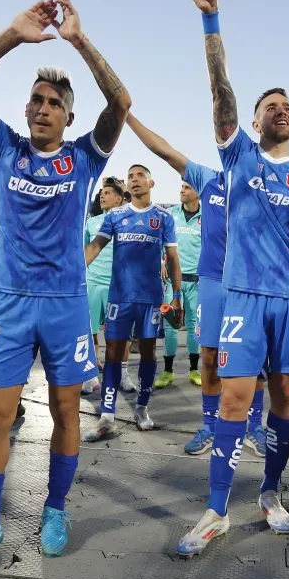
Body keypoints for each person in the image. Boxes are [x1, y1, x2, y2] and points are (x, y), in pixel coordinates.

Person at [0, 0, 131, 573]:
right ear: (26, 111)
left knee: (67, 410)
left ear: (68, 116)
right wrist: (12, 34)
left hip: (67, 306)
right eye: (37, 100)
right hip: (12, 304)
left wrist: (78, 41)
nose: (43, 107)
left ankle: (54, 508)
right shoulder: (3, 149)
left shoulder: (84, 159)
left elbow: (121, 101)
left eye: (54, 102)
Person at [178, 0, 289, 557]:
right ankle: (216, 509)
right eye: (269, 104)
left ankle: (270, 492)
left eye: (286, 104)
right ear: (248, 121)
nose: (280, 109)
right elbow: (220, 91)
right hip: (244, 297)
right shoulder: (237, 155)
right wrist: (211, 19)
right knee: (234, 398)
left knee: (286, 400)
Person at [126, 113, 268, 457]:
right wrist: (127, 117)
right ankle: (209, 424)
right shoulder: (208, 179)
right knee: (208, 355)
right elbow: (164, 150)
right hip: (213, 282)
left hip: (251, 284)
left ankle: (255, 427)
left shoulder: (264, 183)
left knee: (256, 359)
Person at [82, 164, 182, 439]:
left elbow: (173, 258)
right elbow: (95, 246)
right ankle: (107, 416)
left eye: (140, 176)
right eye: (130, 176)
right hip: (120, 298)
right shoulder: (115, 216)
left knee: (148, 353)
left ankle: (142, 408)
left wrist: (177, 295)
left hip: (150, 299)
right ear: (127, 186)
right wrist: (76, 269)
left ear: (152, 183)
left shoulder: (163, 217)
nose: (134, 179)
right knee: (112, 354)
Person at [81, 178, 130, 394]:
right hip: (93, 282)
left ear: (119, 198)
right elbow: (83, 253)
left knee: (120, 334)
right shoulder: (91, 223)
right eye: (102, 193)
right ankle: (90, 375)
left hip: (117, 284)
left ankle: (123, 375)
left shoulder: (127, 221)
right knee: (89, 331)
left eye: (108, 193)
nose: (103, 195)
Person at [155, 180, 202, 389]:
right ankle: (167, 371)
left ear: (198, 193)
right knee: (171, 327)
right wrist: (162, 261)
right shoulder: (170, 214)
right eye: (181, 187)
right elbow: (158, 241)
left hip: (197, 281)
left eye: (187, 188)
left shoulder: (208, 217)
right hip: (174, 281)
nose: (181, 190)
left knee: (194, 326)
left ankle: (194, 370)